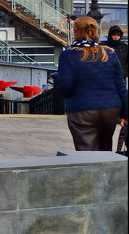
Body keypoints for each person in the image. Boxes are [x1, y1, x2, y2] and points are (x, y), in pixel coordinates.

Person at [54, 15, 128, 151]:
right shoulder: (109, 53)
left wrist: (60, 80)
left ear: (75, 31)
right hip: (110, 110)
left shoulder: (69, 55)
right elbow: (121, 86)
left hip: (82, 110)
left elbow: (65, 87)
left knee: (87, 154)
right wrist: (125, 114)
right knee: (105, 151)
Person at [107, 25, 128, 89]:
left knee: (122, 93)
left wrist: (124, 72)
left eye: (118, 35)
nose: (116, 37)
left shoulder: (125, 47)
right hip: (107, 77)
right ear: (110, 35)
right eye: (114, 35)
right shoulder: (104, 46)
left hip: (121, 77)